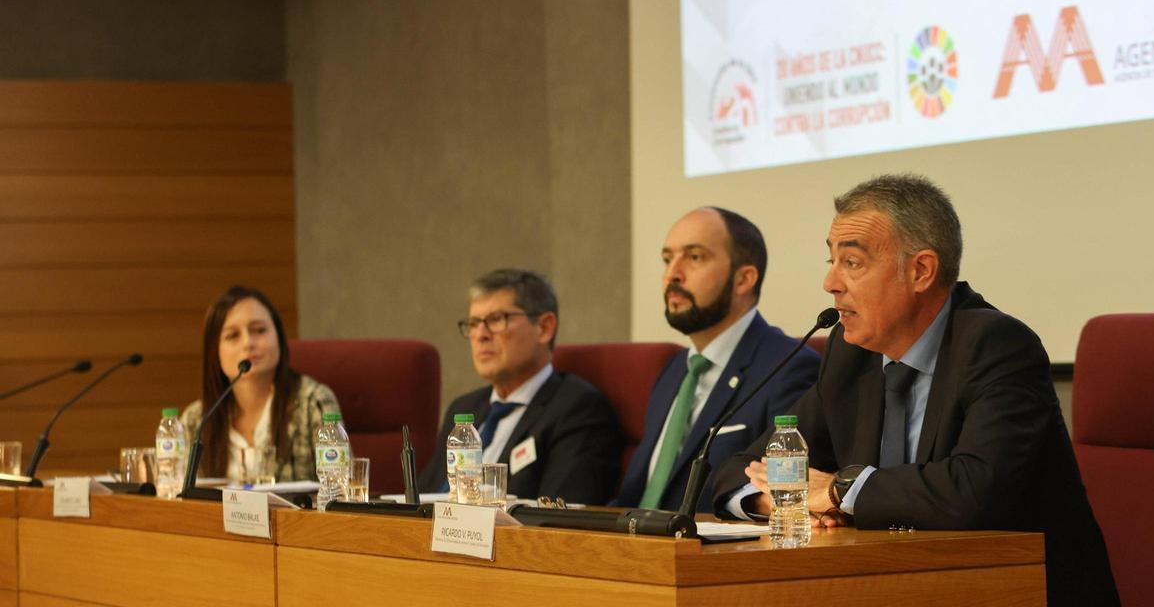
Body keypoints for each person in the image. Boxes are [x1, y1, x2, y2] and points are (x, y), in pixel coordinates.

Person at [712, 175, 1118, 606]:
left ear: (920, 270)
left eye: (852, 263)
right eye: (830, 261)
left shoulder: (997, 346)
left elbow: (971, 491)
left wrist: (837, 490)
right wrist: (773, 500)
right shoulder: (852, 357)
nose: (830, 282)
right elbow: (738, 468)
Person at [614, 207, 820, 514]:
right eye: (667, 259)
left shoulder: (790, 368)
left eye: (694, 257)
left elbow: (782, 497)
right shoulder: (674, 371)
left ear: (743, 279)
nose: (672, 274)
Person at [418, 269, 622, 504]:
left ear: (544, 327)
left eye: (496, 320)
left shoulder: (577, 409)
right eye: (474, 323)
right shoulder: (464, 408)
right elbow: (423, 497)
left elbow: (559, 517)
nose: (480, 335)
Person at [182, 285, 342, 482]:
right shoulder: (196, 421)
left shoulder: (313, 403)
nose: (248, 343)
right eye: (233, 335)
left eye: (259, 330)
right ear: (214, 352)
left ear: (279, 338)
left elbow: (340, 489)